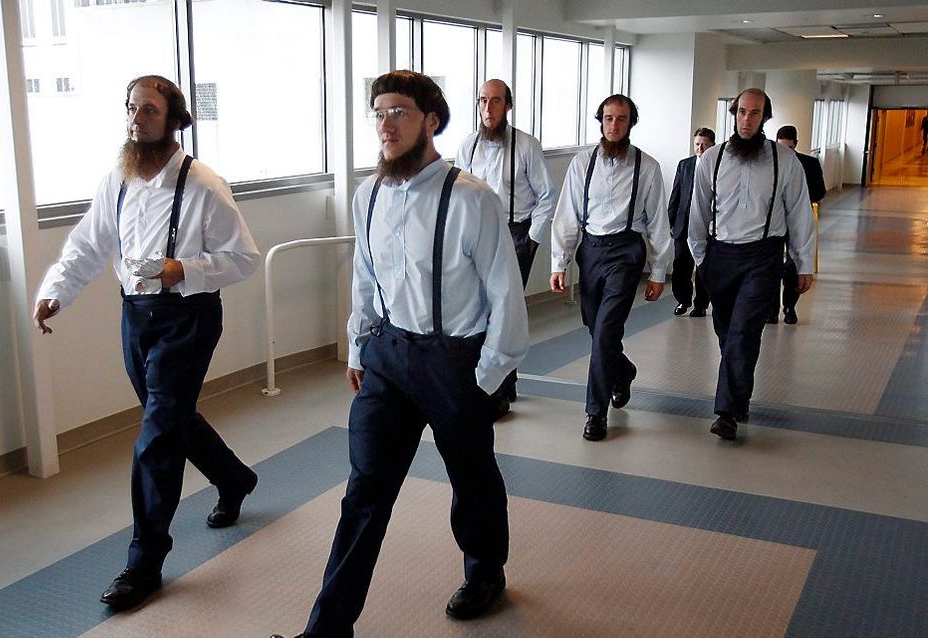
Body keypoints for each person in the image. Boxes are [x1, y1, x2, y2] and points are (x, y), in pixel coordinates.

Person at [271, 71, 527, 638]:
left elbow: (506, 294)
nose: (386, 125)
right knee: (364, 493)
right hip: (386, 358)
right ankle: (327, 629)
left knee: (472, 477)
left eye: (399, 113)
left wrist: (484, 379)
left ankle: (485, 571)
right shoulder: (369, 195)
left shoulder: (473, 198)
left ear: (430, 121)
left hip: (454, 363)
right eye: (379, 113)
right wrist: (358, 346)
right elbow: (364, 277)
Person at [33, 75, 261, 609]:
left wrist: (187, 268)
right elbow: (89, 243)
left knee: (157, 434)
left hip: (188, 317)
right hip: (135, 316)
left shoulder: (204, 184)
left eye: (150, 111)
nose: (137, 120)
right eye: (132, 109)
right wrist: (55, 293)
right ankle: (235, 478)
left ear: (174, 119)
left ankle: (144, 563)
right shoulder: (118, 177)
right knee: (171, 416)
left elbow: (245, 257)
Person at [688, 88, 815, 441]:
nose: (747, 119)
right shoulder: (711, 159)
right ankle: (738, 396)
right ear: (734, 114)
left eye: (755, 113)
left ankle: (726, 412)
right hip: (720, 256)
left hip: (763, 256)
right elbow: (697, 213)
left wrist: (803, 263)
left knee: (744, 332)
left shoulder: (784, 161)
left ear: (764, 117)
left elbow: (800, 212)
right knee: (727, 332)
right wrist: (701, 259)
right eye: (742, 112)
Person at [550, 94, 673, 442]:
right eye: (607, 118)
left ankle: (595, 413)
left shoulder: (646, 167)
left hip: (625, 252)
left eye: (621, 119)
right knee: (596, 329)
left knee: (605, 332)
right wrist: (559, 263)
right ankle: (623, 371)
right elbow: (567, 215)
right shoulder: (582, 163)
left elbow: (658, 223)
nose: (614, 125)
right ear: (600, 121)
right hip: (590, 251)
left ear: (631, 123)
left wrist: (658, 271)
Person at [454, 79, 557, 418]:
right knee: (482, 310)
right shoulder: (468, 147)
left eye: (495, 101)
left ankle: (497, 390)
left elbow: (547, 195)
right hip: (477, 235)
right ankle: (499, 384)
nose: (488, 108)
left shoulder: (526, 145)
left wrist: (534, 238)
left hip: (517, 234)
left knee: (504, 310)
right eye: (483, 100)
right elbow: (459, 195)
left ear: (508, 106)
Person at [772, 124, 826, 325]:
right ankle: (771, 309)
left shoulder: (809, 164)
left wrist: (799, 199)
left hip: (797, 220)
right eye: (781, 148)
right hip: (774, 223)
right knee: (770, 266)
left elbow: (820, 191)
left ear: (796, 145)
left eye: (789, 148)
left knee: (793, 266)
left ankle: (789, 307)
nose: (785, 152)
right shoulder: (769, 163)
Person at [668, 128, 715, 317]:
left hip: (706, 224)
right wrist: (670, 220)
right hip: (683, 223)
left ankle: (701, 304)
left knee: (703, 265)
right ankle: (682, 300)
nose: (700, 148)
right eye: (697, 144)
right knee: (681, 265)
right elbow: (676, 193)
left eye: (704, 144)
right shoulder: (685, 165)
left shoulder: (716, 166)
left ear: (712, 145)